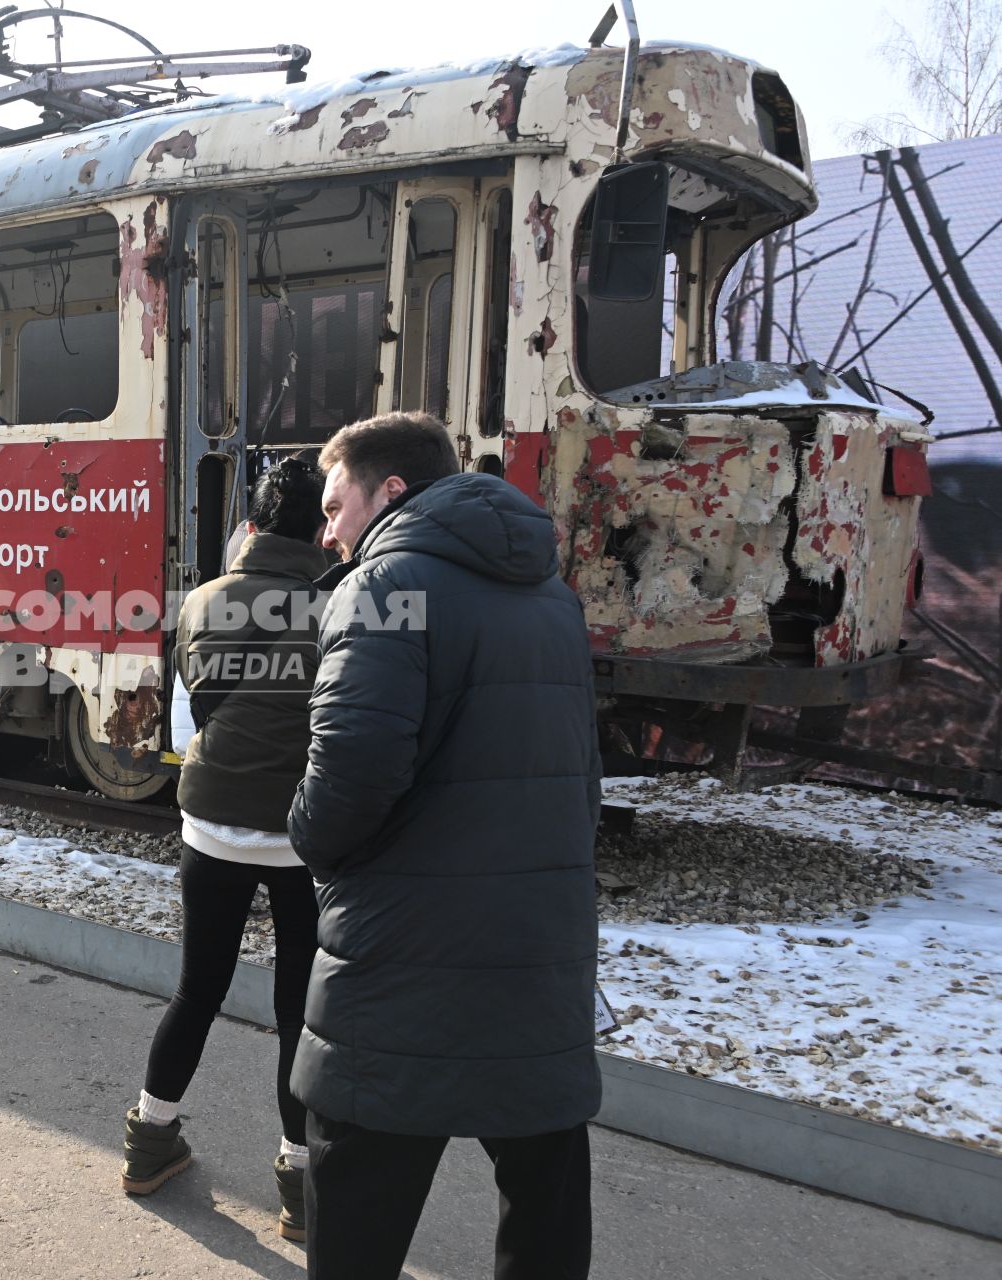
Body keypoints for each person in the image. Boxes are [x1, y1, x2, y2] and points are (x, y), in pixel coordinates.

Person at [287, 413, 602, 1279]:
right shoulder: (551, 594)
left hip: (402, 958)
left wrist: (311, 843)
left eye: (335, 503)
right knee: (543, 1211)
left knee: (358, 1211)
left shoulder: (384, 583)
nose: (328, 530)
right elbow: (581, 779)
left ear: (389, 491)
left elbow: (348, 777)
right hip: (540, 954)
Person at [122, 456, 328, 1244]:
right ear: (320, 526)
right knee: (297, 1015)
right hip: (301, 839)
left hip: (208, 826)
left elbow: (190, 719)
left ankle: (150, 1141)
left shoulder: (203, 600)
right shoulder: (341, 604)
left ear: (255, 520)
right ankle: (299, 1187)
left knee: (196, 989)